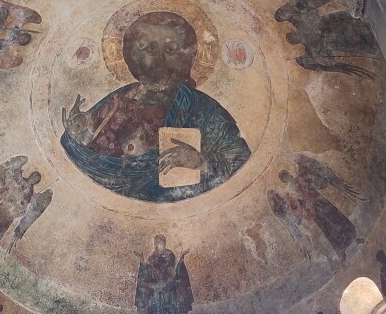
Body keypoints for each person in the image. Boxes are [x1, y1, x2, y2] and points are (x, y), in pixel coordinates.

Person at [61, 11, 250, 202]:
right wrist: (76, 140)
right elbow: (81, 167)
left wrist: (201, 163)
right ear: (131, 54)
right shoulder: (115, 103)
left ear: (187, 57)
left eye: (171, 50)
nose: (160, 60)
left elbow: (241, 168)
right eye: (150, 48)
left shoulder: (205, 110)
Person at [135, 236, 193, 314]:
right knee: (155, 309)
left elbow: (174, 271)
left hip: (168, 288)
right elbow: (148, 272)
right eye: (156, 242)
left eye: (160, 242)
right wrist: (142, 259)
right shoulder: (152, 257)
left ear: (164, 243)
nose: (158, 244)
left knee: (171, 309)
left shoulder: (170, 255)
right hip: (155, 289)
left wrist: (182, 257)